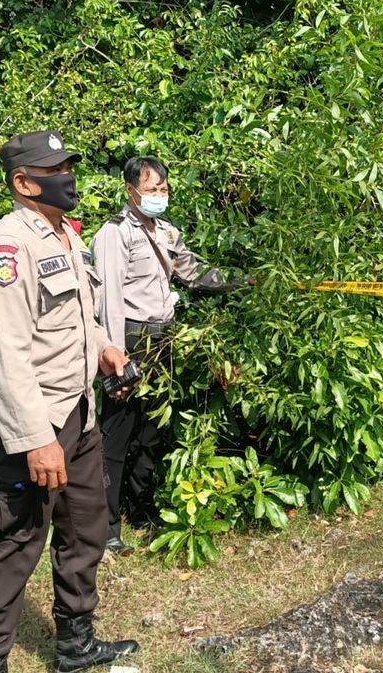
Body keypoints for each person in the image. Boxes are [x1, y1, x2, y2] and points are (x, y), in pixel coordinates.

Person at [0, 130, 139, 673]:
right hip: (35, 424)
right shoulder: (7, 249)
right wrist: (36, 440)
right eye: (56, 170)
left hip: (79, 413)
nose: (68, 177)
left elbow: (77, 318)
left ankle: (75, 645)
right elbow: (4, 354)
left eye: (68, 167)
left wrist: (105, 347)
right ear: (23, 182)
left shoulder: (65, 236)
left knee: (86, 531)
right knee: (15, 544)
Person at [91, 156, 251, 554]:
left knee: (151, 429)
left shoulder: (165, 231)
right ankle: (106, 526)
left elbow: (193, 272)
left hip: (162, 338)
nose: (159, 195)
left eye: (163, 189)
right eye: (151, 190)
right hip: (130, 338)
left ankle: (140, 509)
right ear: (130, 191)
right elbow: (109, 298)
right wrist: (114, 356)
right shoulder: (115, 233)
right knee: (117, 432)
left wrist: (242, 280)